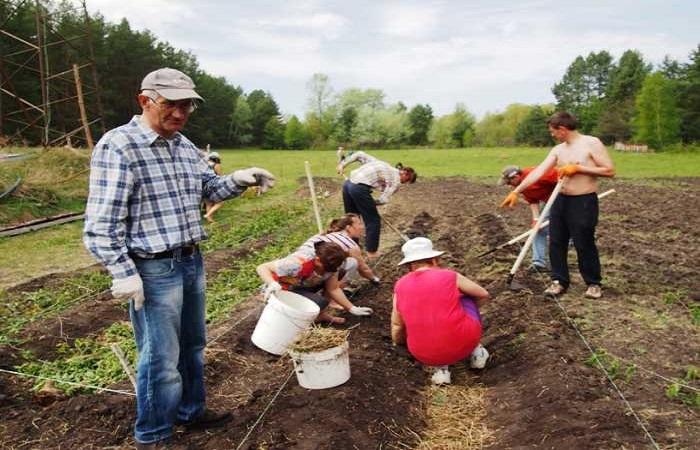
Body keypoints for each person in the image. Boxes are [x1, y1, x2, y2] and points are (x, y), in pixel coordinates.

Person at [83, 67, 276, 449]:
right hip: (153, 269)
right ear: (145, 100)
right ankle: (153, 435)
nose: (180, 113)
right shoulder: (119, 145)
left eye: (187, 105)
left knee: (192, 345)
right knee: (160, 357)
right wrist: (124, 272)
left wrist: (239, 179)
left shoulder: (183, 145)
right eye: (171, 104)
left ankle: (191, 411)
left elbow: (209, 189)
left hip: (190, 260)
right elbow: (101, 223)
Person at [500, 111, 615, 299]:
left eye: (553, 131)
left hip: (583, 200)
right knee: (556, 241)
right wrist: (516, 191)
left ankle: (593, 283)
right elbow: (537, 173)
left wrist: (578, 168)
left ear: (562, 129)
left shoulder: (591, 143)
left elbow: (609, 170)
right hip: (560, 200)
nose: (551, 134)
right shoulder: (558, 150)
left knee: (583, 242)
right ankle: (559, 281)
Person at [391, 237, 491, 385]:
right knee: (466, 298)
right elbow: (483, 294)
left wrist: (398, 342)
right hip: (465, 342)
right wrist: (470, 310)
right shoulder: (449, 276)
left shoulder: (399, 286)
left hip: (423, 354)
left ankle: (441, 369)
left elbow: (397, 324)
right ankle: (477, 352)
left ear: (409, 265)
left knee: (419, 311)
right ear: (434, 259)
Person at [256, 241, 373, 324]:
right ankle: (295, 321)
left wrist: (351, 308)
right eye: (326, 268)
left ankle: (320, 316)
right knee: (313, 304)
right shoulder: (297, 263)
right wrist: (272, 283)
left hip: (303, 284)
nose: (328, 271)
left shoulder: (332, 265)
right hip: (282, 288)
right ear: (317, 260)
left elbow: (333, 289)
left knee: (321, 302)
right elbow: (262, 267)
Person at [338, 151, 417, 259]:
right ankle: (372, 252)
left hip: (348, 185)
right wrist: (372, 203)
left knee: (351, 218)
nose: (404, 183)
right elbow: (383, 199)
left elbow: (360, 154)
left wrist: (342, 164)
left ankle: (351, 248)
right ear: (404, 173)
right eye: (407, 181)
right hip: (359, 188)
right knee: (373, 221)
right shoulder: (396, 180)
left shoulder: (382, 164)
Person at [297, 213, 381, 295]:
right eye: (359, 224)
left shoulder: (324, 234)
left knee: (338, 263)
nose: (362, 227)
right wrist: (374, 279)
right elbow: (363, 268)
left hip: (297, 265)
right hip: (311, 273)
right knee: (352, 262)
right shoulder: (349, 244)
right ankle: (330, 297)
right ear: (349, 228)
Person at [499, 164, 559, 273]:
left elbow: (564, 179)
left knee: (561, 228)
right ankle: (539, 263)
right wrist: (535, 219)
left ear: (515, 177)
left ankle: (569, 239)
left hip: (564, 199)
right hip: (549, 203)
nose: (509, 186)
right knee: (537, 229)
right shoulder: (521, 185)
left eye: (509, 182)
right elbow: (532, 200)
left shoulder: (541, 174)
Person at [203, 151, 223, 222]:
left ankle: (209, 219)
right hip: (212, 184)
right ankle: (208, 215)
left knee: (208, 203)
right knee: (220, 202)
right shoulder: (216, 165)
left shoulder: (204, 164)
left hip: (202, 185)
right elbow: (219, 175)